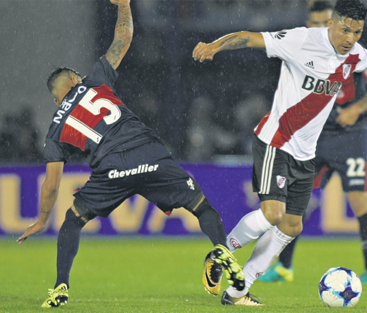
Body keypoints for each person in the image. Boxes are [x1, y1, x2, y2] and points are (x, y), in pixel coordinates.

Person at [16, 0, 245, 308]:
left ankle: (60, 288)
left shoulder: (54, 130)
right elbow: (123, 39)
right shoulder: (95, 81)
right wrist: (124, 5)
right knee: (202, 208)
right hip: (149, 153)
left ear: (57, 100)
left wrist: (43, 219)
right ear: (74, 81)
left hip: (111, 169)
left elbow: (52, 185)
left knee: (72, 221)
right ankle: (220, 250)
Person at [193, 0, 367, 306]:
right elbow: (250, 36)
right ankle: (221, 254)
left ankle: (239, 290)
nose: (350, 38)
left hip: (305, 154)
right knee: (273, 214)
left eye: (357, 32)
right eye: (345, 29)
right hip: (276, 141)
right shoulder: (303, 41)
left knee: (293, 226)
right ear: (331, 24)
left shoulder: (355, 54)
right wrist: (216, 45)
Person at [259, 0, 367, 285]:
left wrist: (356, 110)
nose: (319, 28)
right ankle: (283, 267)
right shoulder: (306, 46)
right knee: (297, 204)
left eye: (323, 22)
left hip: (350, 138)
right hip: (314, 136)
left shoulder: (351, 52)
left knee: (359, 201)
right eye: (314, 23)